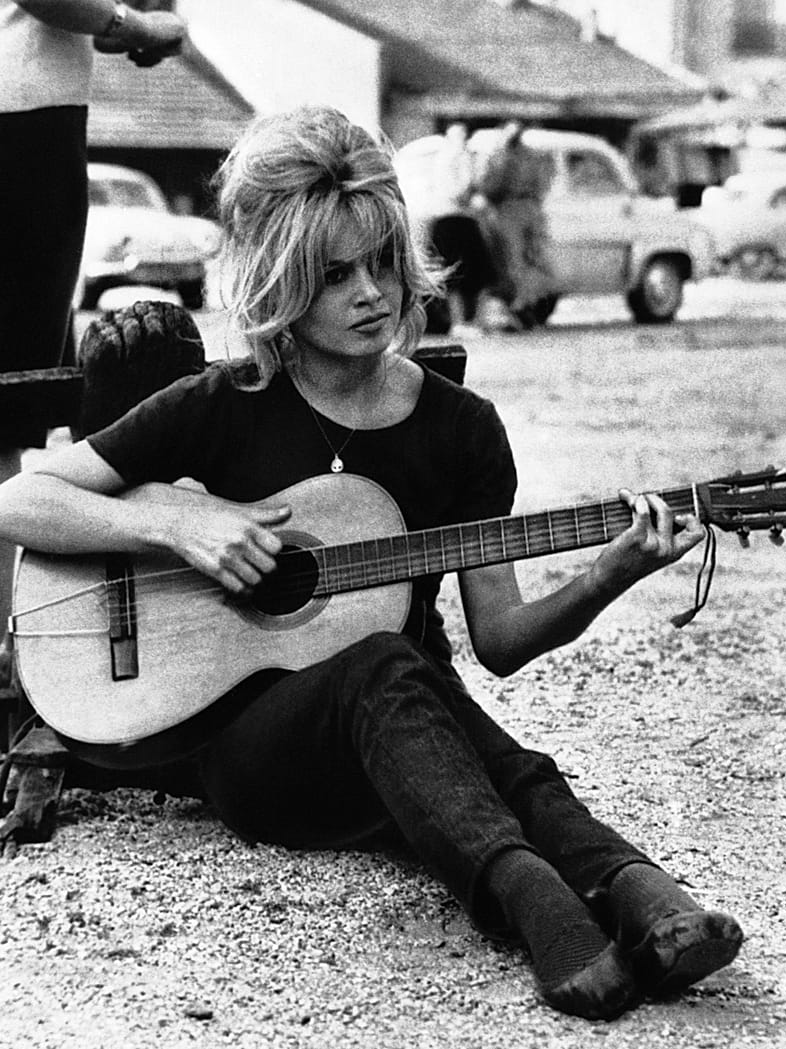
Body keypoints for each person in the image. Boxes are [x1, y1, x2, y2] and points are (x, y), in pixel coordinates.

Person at [0, 105, 743, 1022]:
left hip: (414, 737)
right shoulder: (227, 403)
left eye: (383, 263)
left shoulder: (461, 429)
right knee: (388, 667)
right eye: (335, 274)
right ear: (283, 280)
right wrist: (179, 527)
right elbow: (18, 501)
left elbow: (501, 640)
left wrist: (610, 572)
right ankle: (539, 901)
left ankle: (639, 894)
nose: (372, 294)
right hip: (263, 759)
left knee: (460, 720)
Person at [0, 0, 187, 681]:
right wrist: (133, 25)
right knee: (4, 412)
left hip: (26, 113)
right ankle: (8, 656)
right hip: (20, 122)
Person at [478, 120, 556, 328]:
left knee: (514, 260)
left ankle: (520, 306)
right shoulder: (532, 156)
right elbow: (542, 183)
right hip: (532, 209)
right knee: (532, 259)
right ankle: (529, 303)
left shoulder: (502, 156)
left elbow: (491, 186)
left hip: (510, 209)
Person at [427, 123, 494, 331]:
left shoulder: (467, 158)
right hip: (450, 218)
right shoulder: (447, 159)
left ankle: (475, 321)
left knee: (479, 271)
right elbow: (456, 191)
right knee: (453, 274)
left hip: (465, 218)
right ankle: (458, 322)